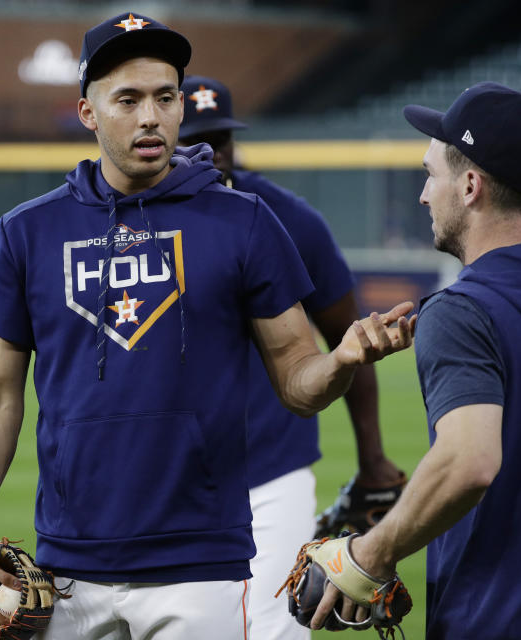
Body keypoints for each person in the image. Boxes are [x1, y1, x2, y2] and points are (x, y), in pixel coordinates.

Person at [0, 11, 416, 640]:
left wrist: (339, 362)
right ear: (88, 113)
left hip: (199, 564)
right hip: (68, 562)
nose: (151, 116)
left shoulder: (244, 223)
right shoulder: (25, 234)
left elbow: (296, 383)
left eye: (165, 97)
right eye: (128, 99)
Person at [311, 82, 521, 639]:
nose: (423, 195)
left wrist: (372, 552)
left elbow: (470, 462)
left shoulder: (461, 312)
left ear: (471, 184)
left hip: (510, 622)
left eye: (431, 175)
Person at [177, 74, 407, 640]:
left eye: (221, 139)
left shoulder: (288, 219)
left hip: (271, 464)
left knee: (278, 627)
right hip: (170, 475)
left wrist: (373, 457)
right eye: (195, 140)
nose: (212, 154)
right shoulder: (126, 222)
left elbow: (346, 339)